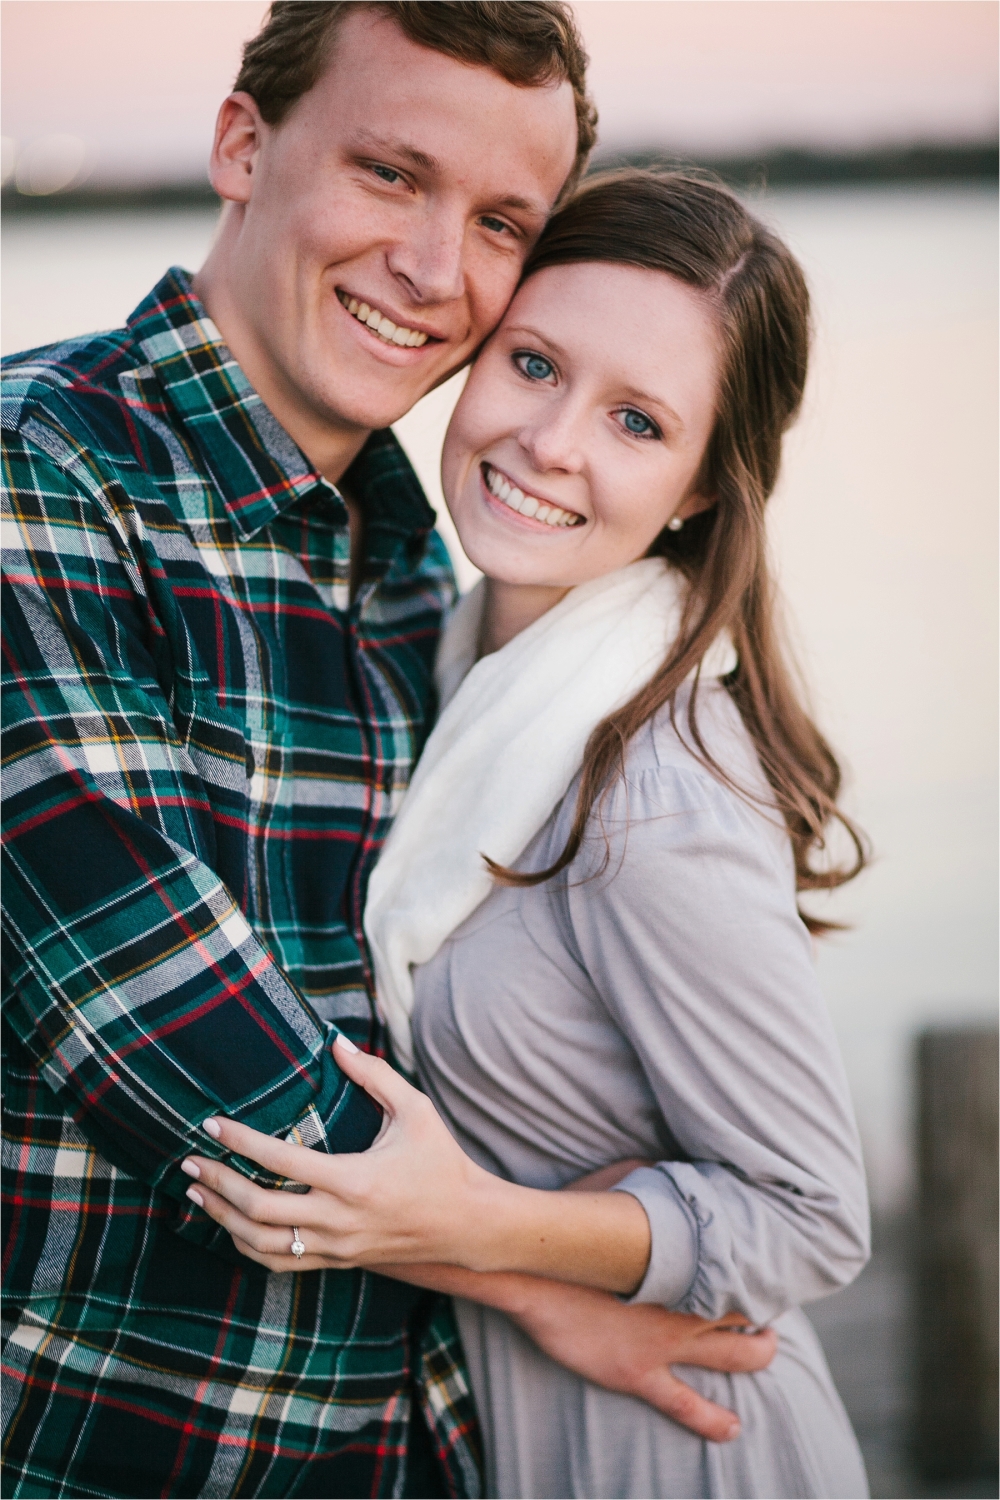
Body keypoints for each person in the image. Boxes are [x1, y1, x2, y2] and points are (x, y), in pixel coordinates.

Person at [1, 6, 776, 1495]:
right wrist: (546, 1275)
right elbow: (172, 1039)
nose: (433, 270)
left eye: (499, 220)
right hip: (126, 1448)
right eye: (388, 174)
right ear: (243, 145)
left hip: (418, 1448)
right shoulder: (44, 475)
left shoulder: (423, 568)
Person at [182, 171, 873, 1499]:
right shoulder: (445, 661)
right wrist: (522, 1274)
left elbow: (811, 1216)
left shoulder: (648, 790)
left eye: (635, 419)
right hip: (498, 1416)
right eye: (536, 364)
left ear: (694, 491)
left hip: (674, 1443)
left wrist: (490, 1229)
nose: (554, 442)